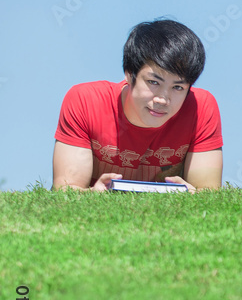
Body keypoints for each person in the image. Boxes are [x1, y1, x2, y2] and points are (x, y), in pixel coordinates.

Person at [53, 19, 223, 192]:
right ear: (129, 74)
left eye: (178, 87)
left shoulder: (201, 108)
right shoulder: (85, 101)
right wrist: (92, 193)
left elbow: (208, 192)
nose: (163, 99)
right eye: (153, 82)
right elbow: (65, 189)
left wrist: (192, 195)